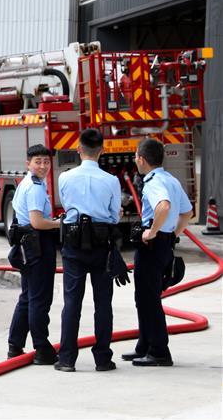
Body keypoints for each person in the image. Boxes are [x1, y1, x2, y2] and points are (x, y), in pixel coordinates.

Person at [55, 128, 121, 372]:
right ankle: (103, 359)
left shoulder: (65, 178)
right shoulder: (111, 181)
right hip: (102, 245)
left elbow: (66, 206)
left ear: (79, 149)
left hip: (73, 246)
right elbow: (114, 216)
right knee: (103, 303)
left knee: (72, 302)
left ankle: (67, 359)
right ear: (102, 151)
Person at [125, 138, 194, 367]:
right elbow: (188, 213)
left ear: (142, 160)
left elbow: (163, 206)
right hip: (164, 245)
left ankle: (158, 351)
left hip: (152, 247)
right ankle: (144, 345)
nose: (135, 160)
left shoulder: (153, 182)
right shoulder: (170, 179)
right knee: (144, 298)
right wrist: (172, 234)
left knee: (149, 299)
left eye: (136, 156)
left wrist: (152, 232)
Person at [7, 144, 60, 364]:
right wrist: (59, 224)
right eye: (38, 161)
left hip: (27, 246)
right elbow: (38, 222)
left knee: (28, 298)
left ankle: (15, 345)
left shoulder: (26, 182)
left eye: (46, 161)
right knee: (39, 299)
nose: (43, 166)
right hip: (37, 245)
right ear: (28, 163)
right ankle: (41, 348)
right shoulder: (36, 187)